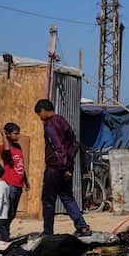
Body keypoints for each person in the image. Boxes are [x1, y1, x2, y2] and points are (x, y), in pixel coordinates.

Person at [34, 99, 92, 236]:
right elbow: (74, 144)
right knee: (67, 197)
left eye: (39, 114)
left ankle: (48, 231)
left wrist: (64, 167)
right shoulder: (62, 121)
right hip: (66, 167)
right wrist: (69, 165)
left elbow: (57, 148)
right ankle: (82, 227)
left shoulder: (50, 125)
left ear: (43, 110)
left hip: (55, 168)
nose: (40, 118)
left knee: (48, 200)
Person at [0, 122, 28, 227]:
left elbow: (21, 164)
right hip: (10, 183)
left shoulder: (18, 147)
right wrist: (3, 135)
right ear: (7, 134)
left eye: (18, 133)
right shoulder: (2, 148)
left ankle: (6, 230)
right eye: (15, 134)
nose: (17, 136)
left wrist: (26, 181)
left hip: (18, 184)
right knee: (8, 210)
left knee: (12, 212)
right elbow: (7, 149)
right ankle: (3, 231)